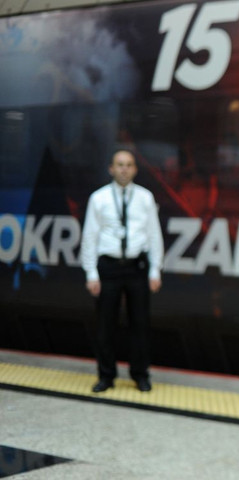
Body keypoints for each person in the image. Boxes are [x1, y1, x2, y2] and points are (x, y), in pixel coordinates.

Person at [81, 149, 164, 393]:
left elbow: (154, 235)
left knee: (140, 323)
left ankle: (140, 374)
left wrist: (155, 270)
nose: (124, 169)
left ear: (135, 169)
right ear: (111, 169)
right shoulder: (98, 198)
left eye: (129, 165)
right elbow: (89, 237)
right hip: (108, 267)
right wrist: (91, 273)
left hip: (137, 266)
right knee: (105, 324)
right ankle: (106, 376)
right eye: (120, 164)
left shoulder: (145, 198)